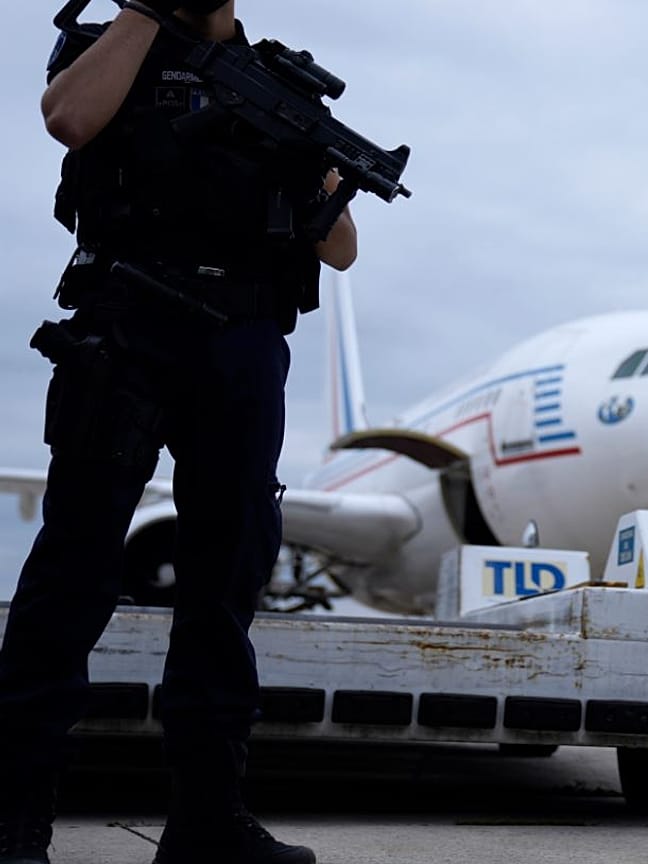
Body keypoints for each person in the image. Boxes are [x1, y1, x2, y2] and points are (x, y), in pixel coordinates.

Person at [0, 1, 356, 862]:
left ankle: (206, 823)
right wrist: (145, 13)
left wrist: (316, 172)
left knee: (223, 593)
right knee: (72, 575)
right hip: (125, 325)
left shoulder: (280, 84)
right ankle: (13, 821)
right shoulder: (111, 46)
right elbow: (69, 120)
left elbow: (340, 247)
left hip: (238, 343)